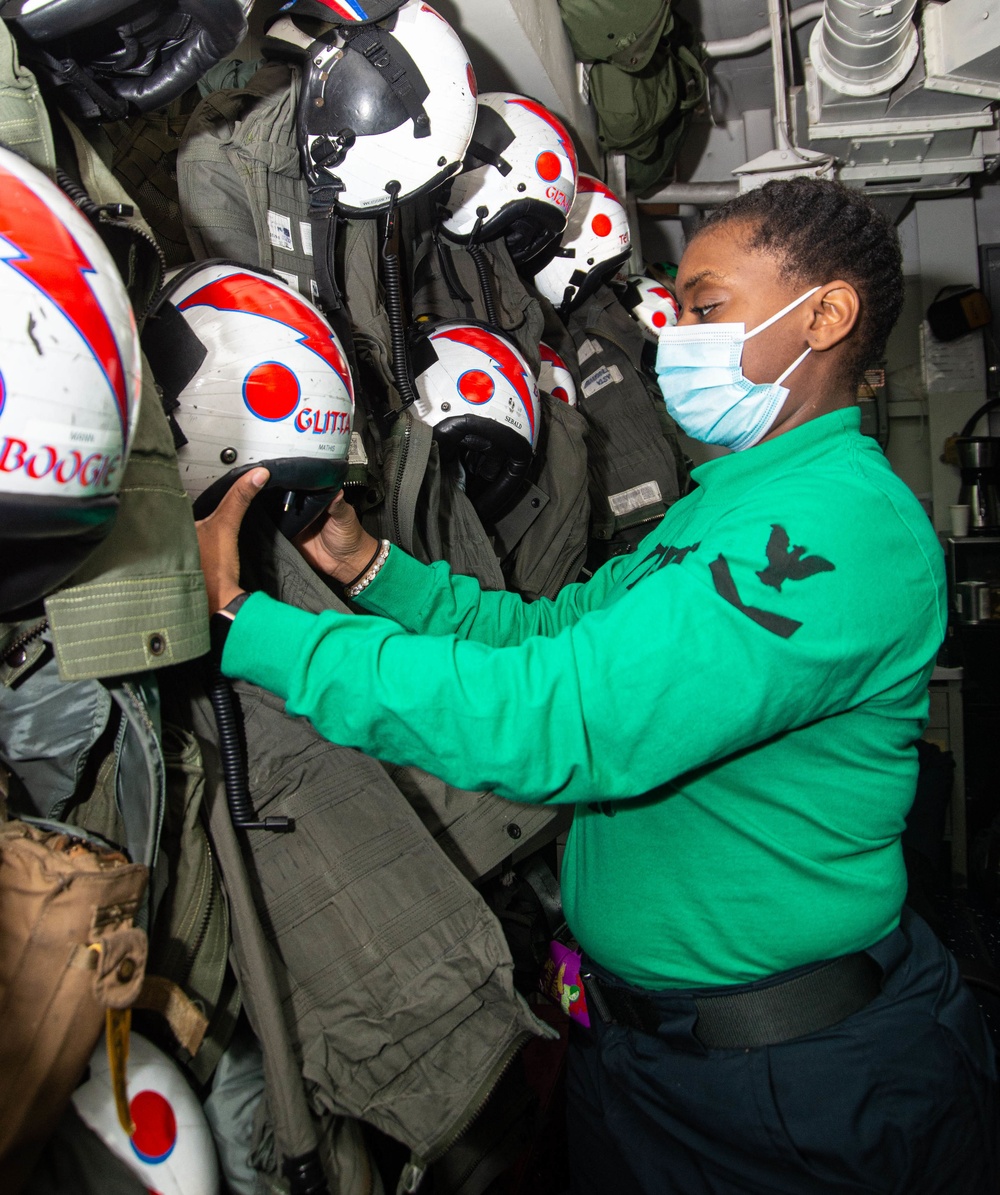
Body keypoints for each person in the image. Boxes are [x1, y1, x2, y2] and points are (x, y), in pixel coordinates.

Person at [196, 178, 999, 1194]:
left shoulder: (837, 523)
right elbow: (548, 636)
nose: (677, 339)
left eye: (705, 308)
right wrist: (368, 569)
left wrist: (250, 627)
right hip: (643, 1055)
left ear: (827, 315)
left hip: (788, 1093)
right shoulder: (721, 505)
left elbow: (565, 718)